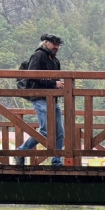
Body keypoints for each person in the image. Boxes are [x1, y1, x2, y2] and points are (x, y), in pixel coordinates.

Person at [16, 34, 65, 166]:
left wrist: (59, 85)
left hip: (52, 99)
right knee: (46, 130)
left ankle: (56, 161)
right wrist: (53, 84)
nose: (56, 47)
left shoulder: (55, 61)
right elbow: (32, 75)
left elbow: (56, 78)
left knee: (60, 132)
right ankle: (21, 151)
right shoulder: (39, 55)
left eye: (58, 45)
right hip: (39, 97)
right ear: (46, 43)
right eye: (54, 44)